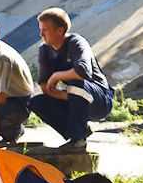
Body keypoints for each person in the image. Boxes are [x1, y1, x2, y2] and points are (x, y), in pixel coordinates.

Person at [28, 8, 113, 150]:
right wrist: (66, 95)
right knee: (37, 102)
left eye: (46, 30)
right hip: (74, 96)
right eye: (41, 29)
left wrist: (57, 76)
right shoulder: (44, 49)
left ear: (60, 31)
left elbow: (82, 72)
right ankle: (80, 132)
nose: (41, 34)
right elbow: (45, 85)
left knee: (75, 83)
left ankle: (78, 140)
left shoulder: (77, 43)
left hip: (100, 100)